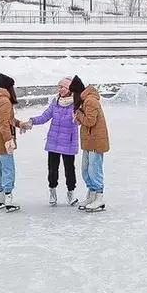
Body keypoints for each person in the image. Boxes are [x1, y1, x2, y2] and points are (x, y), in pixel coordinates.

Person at [25, 77, 80, 207]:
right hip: (54, 141)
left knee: (69, 169)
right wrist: (32, 120)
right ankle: (52, 192)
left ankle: (71, 193)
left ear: (70, 89)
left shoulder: (76, 103)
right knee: (52, 169)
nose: (60, 89)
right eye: (59, 87)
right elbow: (45, 116)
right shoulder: (55, 102)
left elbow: (80, 120)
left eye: (63, 87)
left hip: (68, 141)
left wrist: (78, 118)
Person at [70, 75, 110, 212]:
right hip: (89, 141)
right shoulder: (85, 101)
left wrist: (78, 115)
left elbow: (90, 122)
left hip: (95, 142)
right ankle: (92, 194)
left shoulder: (90, 101)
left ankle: (99, 197)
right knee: (86, 170)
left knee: (94, 169)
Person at [0, 73, 28, 211]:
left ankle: (0, 198)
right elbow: (4, 123)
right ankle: (9, 198)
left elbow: (7, 120)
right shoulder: (5, 101)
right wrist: (8, 140)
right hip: (3, 141)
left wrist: (19, 123)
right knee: (8, 169)